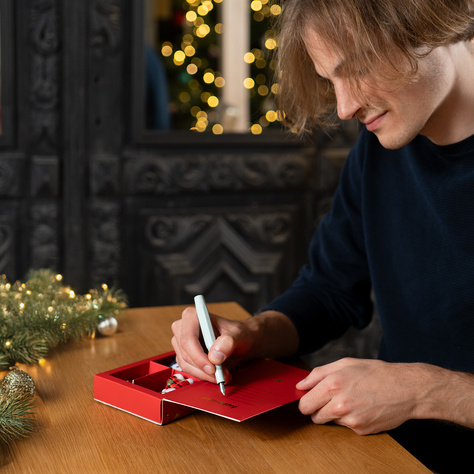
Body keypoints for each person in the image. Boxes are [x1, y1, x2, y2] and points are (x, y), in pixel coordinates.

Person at [171, 0, 474, 471]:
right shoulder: (377, 154)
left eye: (357, 69)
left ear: (430, 21)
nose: (345, 106)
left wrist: (425, 392)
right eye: (329, 79)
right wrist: (252, 335)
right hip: (391, 458)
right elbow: (330, 292)